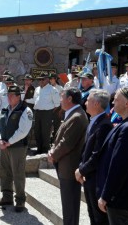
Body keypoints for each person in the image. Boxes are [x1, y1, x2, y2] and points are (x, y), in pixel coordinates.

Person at [97, 87, 128, 224]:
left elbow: (119, 166)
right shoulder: (126, 123)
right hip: (117, 193)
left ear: (127, 103)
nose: (112, 103)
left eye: (116, 100)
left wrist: (106, 195)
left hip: (119, 194)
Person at [48, 87, 88, 225]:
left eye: (61, 97)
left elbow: (67, 143)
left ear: (69, 99)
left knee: (70, 205)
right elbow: (60, 137)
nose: (60, 100)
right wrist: (53, 149)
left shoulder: (77, 116)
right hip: (65, 165)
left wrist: (53, 154)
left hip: (70, 167)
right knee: (67, 205)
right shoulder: (71, 114)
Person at [0, 85, 33, 212]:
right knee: (4, 171)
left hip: (17, 147)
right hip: (4, 145)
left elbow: (23, 131)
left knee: (18, 173)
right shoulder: (5, 108)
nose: (9, 98)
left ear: (18, 96)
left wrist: (9, 142)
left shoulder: (26, 110)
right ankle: (7, 196)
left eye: (11, 95)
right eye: (8, 95)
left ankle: (20, 200)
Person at [75, 89, 113, 225]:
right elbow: (86, 150)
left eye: (88, 100)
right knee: (92, 214)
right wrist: (81, 168)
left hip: (96, 178)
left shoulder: (104, 125)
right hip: (88, 176)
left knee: (99, 218)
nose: (85, 103)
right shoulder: (93, 121)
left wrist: (81, 170)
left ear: (96, 104)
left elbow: (97, 155)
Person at [26, 73, 60, 155]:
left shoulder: (52, 89)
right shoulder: (37, 89)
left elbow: (57, 104)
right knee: (37, 131)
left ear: (47, 79)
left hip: (47, 113)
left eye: (42, 79)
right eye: (39, 79)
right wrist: (26, 100)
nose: (40, 81)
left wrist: (49, 111)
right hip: (37, 112)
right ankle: (39, 148)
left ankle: (45, 149)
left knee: (45, 132)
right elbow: (35, 100)